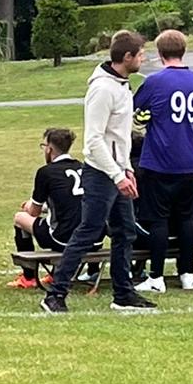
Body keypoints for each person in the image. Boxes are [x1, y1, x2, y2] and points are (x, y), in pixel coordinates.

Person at [40, 31, 157, 314]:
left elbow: (119, 136)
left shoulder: (122, 86)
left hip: (117, 170)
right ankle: (56, 294)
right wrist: (117, 175)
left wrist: (127, 169)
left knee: (125, 231)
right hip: (100, 173)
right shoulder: (103, 89)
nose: (143, 59)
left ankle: (123, 294)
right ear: (126, 57)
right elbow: (94, 140)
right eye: (140, 55)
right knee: (89, 231)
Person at [131, 29, 193, 294]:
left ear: (160, 53)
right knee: (186, 218)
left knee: (158, 219)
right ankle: (187, 274)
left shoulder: (155, 81)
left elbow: (136, 108)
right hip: (188, 158)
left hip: (159, 160)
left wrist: (146, 117)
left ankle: (156, 276)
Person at [10, 128, 86, 289]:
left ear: (49, 149)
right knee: (65, 219)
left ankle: (28, 277)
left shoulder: (46, 172)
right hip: (92, 238)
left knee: (20, 218)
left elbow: (34, 212)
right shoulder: (83, 168)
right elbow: (71, 200)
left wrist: (28, 206)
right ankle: (55, 273)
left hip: (64, 240)